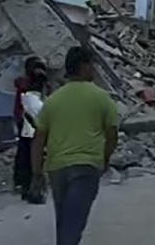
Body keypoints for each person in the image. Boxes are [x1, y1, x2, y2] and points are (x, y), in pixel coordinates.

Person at [31, 47, 118, 245]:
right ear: (84, 66)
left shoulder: (53, 101)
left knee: (64, 221)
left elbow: (38, 139)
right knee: (73, 224)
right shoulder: (102, 98)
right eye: (92, 65)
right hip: (86, 167)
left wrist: (37, 172)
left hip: (57, 169)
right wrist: (105, 159)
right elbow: (112, 135)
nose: (94, 70)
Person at [13, 56, 46, 193]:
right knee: (27, 151)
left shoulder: (29, 83)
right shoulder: (26, 85)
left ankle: (24, 180)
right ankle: (27, 181)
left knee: (26, 150)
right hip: (27, 120)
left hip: (28, 120)